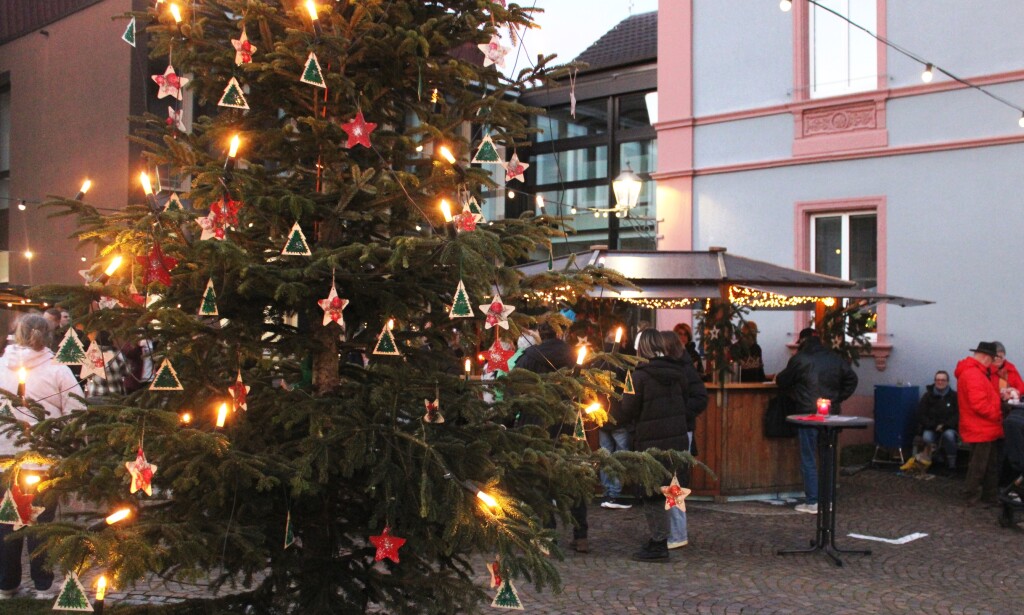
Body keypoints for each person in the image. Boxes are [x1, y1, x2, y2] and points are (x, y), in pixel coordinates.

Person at [0, 314, 86, 599]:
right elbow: (77, 413)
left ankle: (6, 584)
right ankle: (43, 585)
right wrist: (73, 449)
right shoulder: (58, 370)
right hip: (43, 460)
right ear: (48, 336)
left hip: (3, 459)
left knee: (6, 523)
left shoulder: (1, 366)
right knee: (42, 524)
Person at [614, 329, 704, 562]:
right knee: (670, 490)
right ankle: (670, 536)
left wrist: (609, 407)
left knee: (651, 493)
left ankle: (658, 543)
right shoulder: (678, 373)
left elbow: (627, 411)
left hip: (650, 442)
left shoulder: (637, 376)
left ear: (642, 348)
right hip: (676, 441)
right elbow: (686, 403)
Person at [514, 322, 590, 553]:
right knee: (573, 477)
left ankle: (547, 534)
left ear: (539, 335)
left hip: (536, 422)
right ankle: (581, 535)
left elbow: (514, 389)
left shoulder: (528, 357)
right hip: (569, 423)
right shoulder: (576, 355)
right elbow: (585, 388)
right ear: (559, 334)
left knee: (540, 480)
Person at [775, 327, 858, 514]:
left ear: (802, 341)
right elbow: (852, 379)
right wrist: (837, 398)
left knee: (809, 458)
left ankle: (813, 501)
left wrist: (795, 393)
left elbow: (782, 380)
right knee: (828, 457)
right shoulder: (835, 358)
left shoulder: (799, 359)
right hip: (831, 416)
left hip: (807, 414)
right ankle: (827, 500)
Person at [660, 330, 708, 550]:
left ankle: (678, 533)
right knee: (670, 482)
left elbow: (700, 398)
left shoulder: (685, 369)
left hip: (681, 430)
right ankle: (670, 531)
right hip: (669, 429)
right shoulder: (670, 368)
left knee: (675, 483)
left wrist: (678, 413)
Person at [955, 341, 1004, 505]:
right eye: (991, 360)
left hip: (981, 427)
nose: (991, 364)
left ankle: (989, 496)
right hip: (981, 427)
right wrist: (998, 414)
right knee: (979, 466)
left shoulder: (973, 372)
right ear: (985, 358)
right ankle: (971, 496)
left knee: (988, 464)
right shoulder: (974, 374)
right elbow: (979, 405)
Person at [597, 328, 632, 510]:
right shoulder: (623, 363)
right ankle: (614, 495)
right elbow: (629, 391)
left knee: (606, 455)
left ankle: (607, 493)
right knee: (619, 456)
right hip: (620, 417)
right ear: (622, 342)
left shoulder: (598, 362)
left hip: (602, 415)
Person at [914, 370, 959, 473]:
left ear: (947, 382)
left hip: (949, 427)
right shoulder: (927, 396)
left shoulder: (954, 396)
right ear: (934, 381)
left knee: (949, 436)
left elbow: (958, 414)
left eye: (943, 380)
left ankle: (952, 463)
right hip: (931, 427)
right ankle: (935, 458)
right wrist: (933, 425)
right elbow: (921, 414)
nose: (940, 382)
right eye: (938, 380)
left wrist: (945, 425)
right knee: (927, 437)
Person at [85, 331, 130, 399]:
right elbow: (127, 372)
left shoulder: (92, 353)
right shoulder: (117, 353)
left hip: (96, 394)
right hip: (116, 395)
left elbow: (86, 375)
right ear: (110, 340)